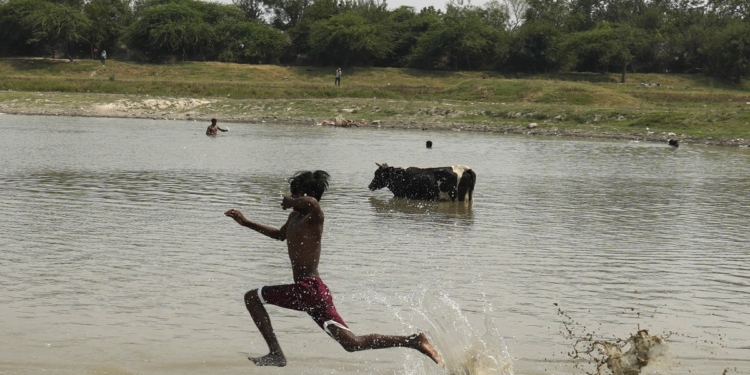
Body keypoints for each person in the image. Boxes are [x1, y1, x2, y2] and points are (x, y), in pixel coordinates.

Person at [224, 171, 440, 367]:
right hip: (314, 292)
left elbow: (313, 203)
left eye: (295, 194)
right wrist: (246, 223)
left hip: (308, 289)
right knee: (352, 343)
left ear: (305, 195)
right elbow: (279, 235)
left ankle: (276, 354)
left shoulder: (314, 216)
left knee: (252, 297)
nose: (291, 197)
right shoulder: (294, 218)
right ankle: (413, 340)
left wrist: (292, 201)